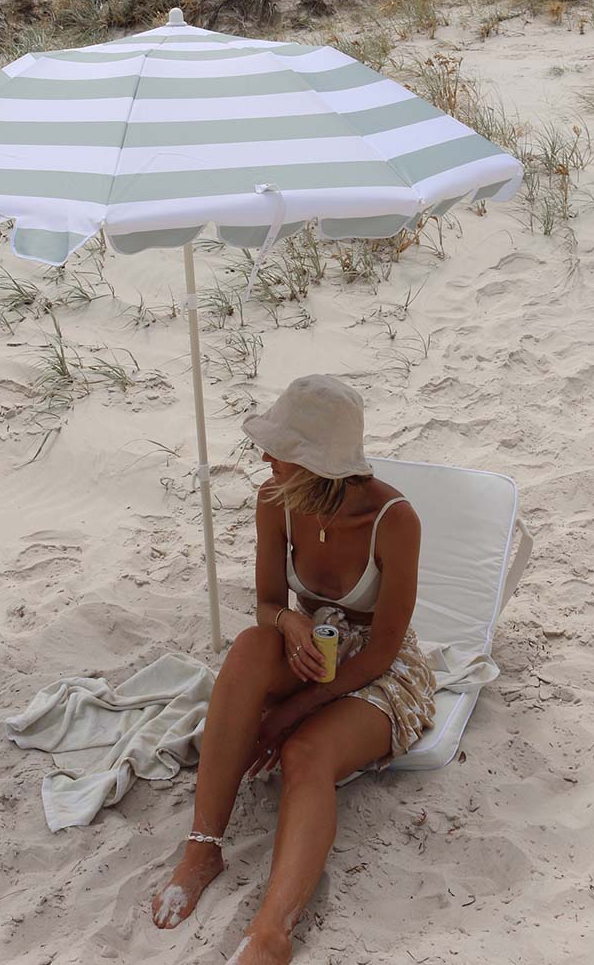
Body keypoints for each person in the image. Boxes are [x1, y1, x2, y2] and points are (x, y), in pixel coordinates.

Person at [151, 374, 437, 964]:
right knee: (254, 646)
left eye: (282, 449)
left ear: (319, 465)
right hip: (312, 645)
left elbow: (383, 651)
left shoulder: (395, 521)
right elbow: (265, 603)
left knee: (307, 752)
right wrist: (288, 622)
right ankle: (202, 848)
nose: (265, 457)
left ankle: (272, 931)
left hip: (378, 670)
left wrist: (287, 713)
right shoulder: (275, 500)